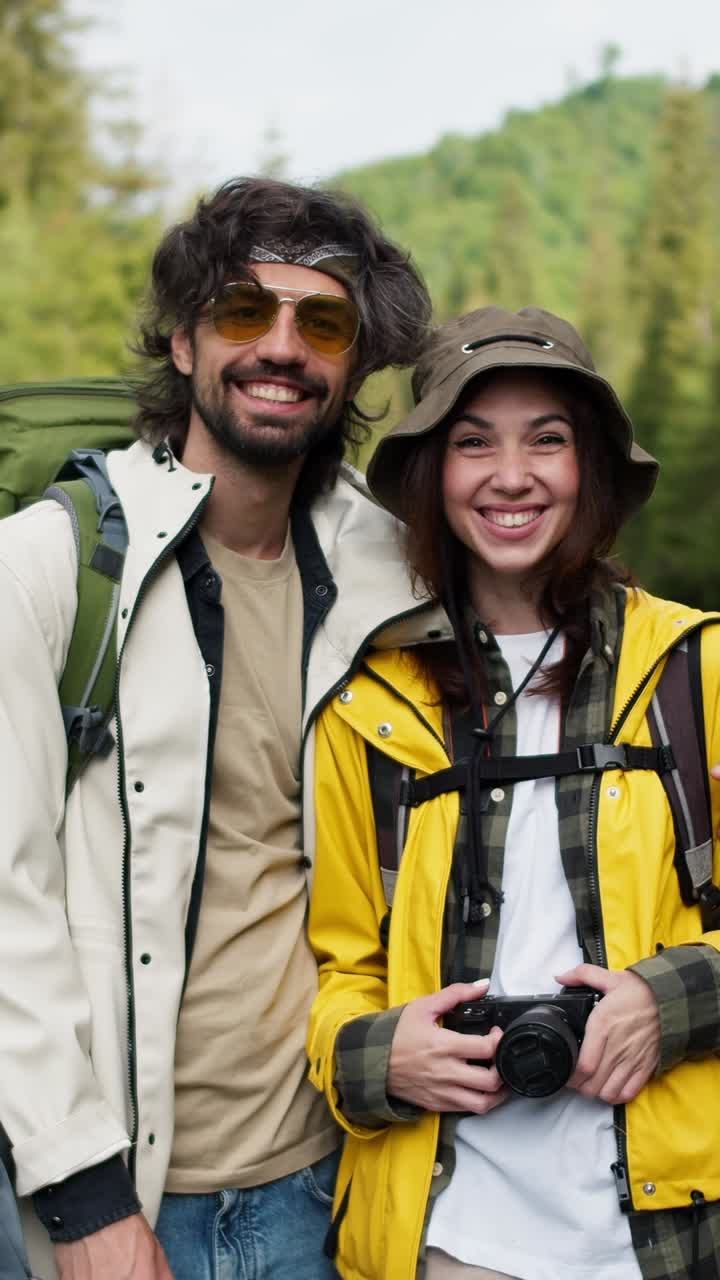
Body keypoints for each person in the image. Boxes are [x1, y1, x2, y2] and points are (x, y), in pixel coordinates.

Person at [0, 176, 437, 1280]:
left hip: (323, 1184)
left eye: (322, 320)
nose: (282, 345)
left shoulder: (397, 580)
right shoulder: (49, 565)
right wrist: (80, 1194)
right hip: (111, 1199)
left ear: (357, 362)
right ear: (187, 341)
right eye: (246, 311)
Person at [306, 306, 720, 1280]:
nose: (511, 474)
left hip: (668, 1237)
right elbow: (340, 972)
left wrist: (673, 1000)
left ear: (594, 469)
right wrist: (381, 1057)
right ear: (429, 476)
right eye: (472, 442)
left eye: (549, 439)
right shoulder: (367, 708)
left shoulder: (694, 673)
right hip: (444, 1239)